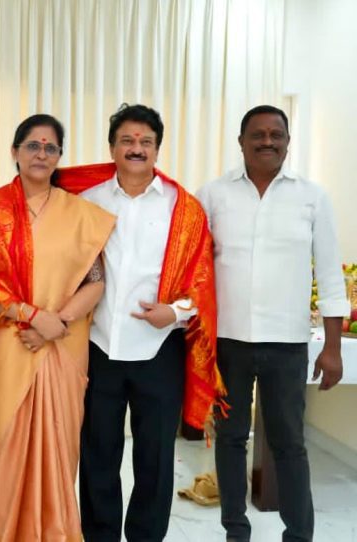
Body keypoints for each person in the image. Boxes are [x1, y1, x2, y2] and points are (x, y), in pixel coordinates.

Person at [57, 103, 225, 542]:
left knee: (155, 458)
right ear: (112, 148)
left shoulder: (183, 208)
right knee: (98, 454)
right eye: (127, 141)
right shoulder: (88, 202)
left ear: (157, 149)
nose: (136, 148)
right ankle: (100, 535)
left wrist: (175, 312)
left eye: (145, 141)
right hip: (98, 347)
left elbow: (203, 279)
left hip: (159, 350)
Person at [197, 105, 349, 542]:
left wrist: (332, 347)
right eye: (258, 134)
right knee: (230, 439)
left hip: (287, 344)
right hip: (228, 342)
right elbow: (196, 268)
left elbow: (330, 275)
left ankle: (299, 535)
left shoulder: (312, 197)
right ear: (241, 141)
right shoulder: (212, 195)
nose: (268, 141)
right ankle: (236, 531)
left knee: (289, 445)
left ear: (287, 141)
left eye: (276, 134)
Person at [0, 114, 116, 541]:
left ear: (59, 156)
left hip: (62, 345)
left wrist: (57, 323)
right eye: (33, 145)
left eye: (51, 148)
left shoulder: (79, 213)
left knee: (58, 453)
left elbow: (96, 281)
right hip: (6, 345)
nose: (41, 154)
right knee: (5, 454)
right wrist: (32, 317)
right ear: (15, 152)